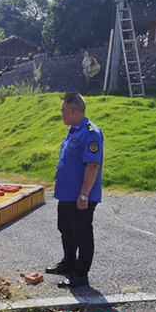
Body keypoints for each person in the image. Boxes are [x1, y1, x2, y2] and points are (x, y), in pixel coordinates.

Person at [46, 93, 103, 288]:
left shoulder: (90, 133)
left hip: (81, 196)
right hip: (67, 196)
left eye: (63, 110)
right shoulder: (73, 131)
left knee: (82, 235)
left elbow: (93, 166)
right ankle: (68, 263)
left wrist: (84, 195)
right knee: (66, 230)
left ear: (73, 110)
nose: (61, 114)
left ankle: (80, 274)